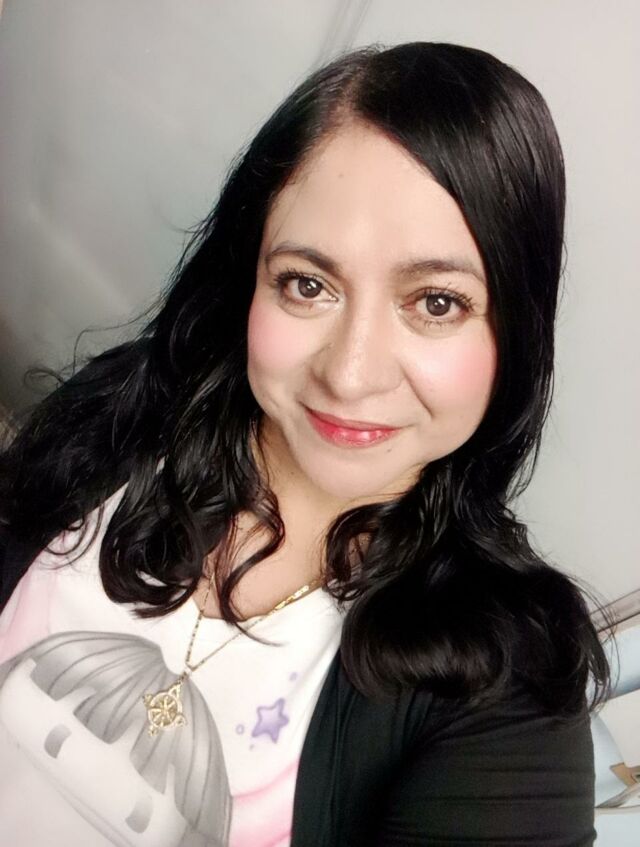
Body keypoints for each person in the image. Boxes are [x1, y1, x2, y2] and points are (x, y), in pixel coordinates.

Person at [0, 41, 609, 846]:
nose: (350, 375)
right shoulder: (128, 408)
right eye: (308, 284)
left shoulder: (507, 691)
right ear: (250, 276)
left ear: (516, 331)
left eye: (436, 302)